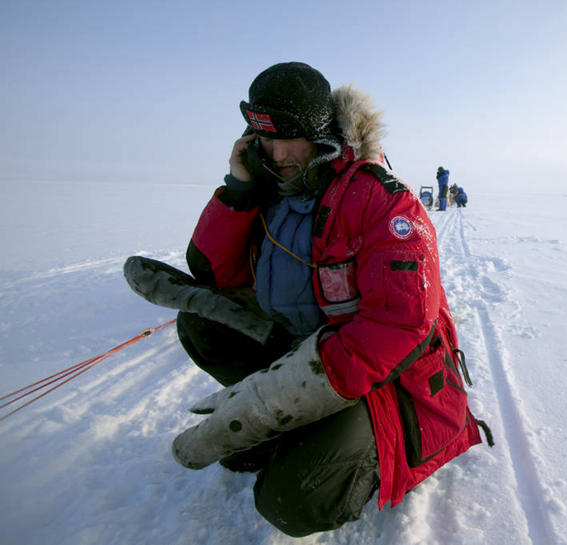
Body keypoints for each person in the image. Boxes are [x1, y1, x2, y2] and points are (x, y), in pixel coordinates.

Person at [123, 62, 488, 537]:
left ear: (318, 133)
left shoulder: (381, 201)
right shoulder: (272, 190)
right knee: (202, 323)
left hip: (382, 382)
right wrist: (239, 190)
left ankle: (351, 459)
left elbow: (399, 327)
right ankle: (298, 431)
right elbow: (216, 274)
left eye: (286, 138)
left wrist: (271, 399)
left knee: (289, 501)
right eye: (264, 140)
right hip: (303, 349)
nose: (276, 154)